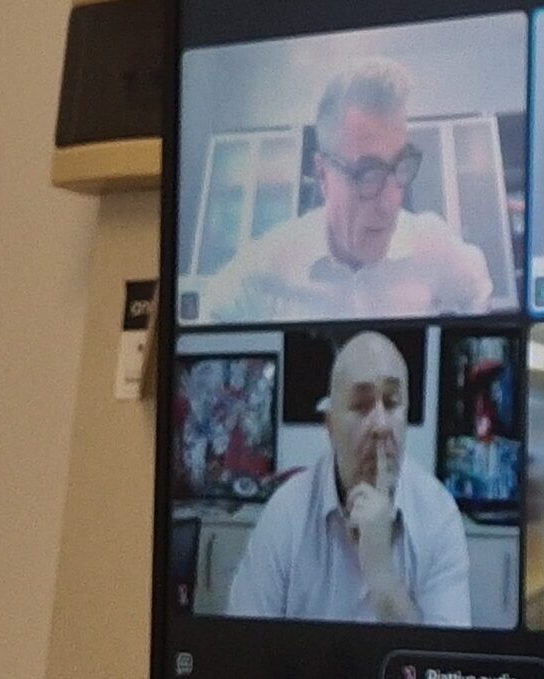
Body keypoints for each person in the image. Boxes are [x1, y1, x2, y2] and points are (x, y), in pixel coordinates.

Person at [200, 58, 496, 322]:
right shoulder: (266, 268)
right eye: (369, 173)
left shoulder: (433, 245)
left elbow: (478, 293)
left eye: (401, 165)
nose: (391, 201)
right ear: (323, 174)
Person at [226, 331, 472, 625]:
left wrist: (383, 575)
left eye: (392, 402)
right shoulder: (286, 514)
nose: (381, 425)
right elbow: (245, 641)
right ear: (330, 426)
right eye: (362, 405)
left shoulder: (438, 514)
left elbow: (443, 654)